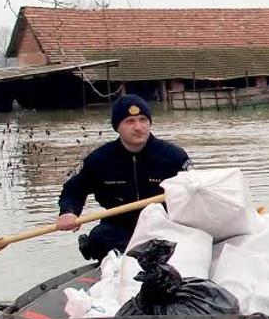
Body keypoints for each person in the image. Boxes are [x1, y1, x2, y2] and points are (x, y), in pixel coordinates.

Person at [57, 95, 192, 261]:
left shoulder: (173, 156)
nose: (138, 127)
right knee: (98, 239)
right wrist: (68, 212)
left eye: (143, 120)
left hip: (164, 223)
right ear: (117, 127)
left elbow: (194, 191)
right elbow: (73, 190)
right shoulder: (99, 159)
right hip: (120, 226)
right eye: (130, 121)